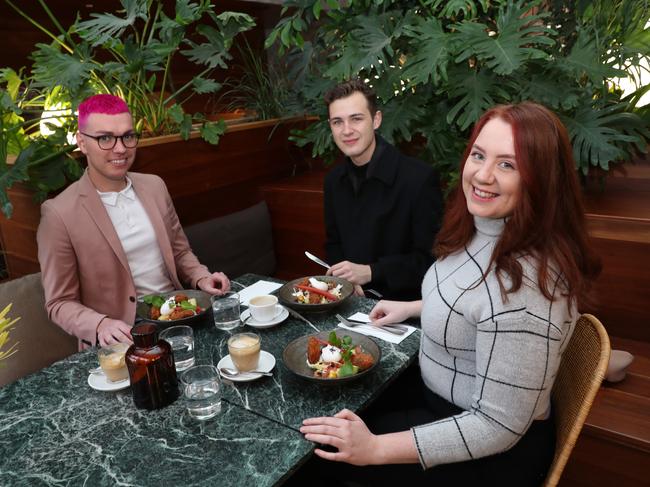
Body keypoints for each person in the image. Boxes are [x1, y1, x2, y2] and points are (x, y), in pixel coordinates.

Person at [298, 102, 601, 485]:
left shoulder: (526, 290)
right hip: (442, 402)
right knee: (328, 426)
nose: (483, 175)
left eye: (507, 164)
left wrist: (374, 449)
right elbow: (477, 310)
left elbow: (496, 426)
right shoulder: (484, 230)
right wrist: (411, 307)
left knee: (322, 463)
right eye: (478, 155)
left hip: (490, 453)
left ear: (541, 178)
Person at [37, 94, 230, 348]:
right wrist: (99, 324)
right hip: (121, 340)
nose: (120, 148)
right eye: (105, 138)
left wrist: (201, 278)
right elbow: (58, 303)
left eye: (127, 136)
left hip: (178, 318)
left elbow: (180, 251)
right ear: (81, 142)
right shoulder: (58, 213)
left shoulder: (154, 186)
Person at [323, 79, 443, 300]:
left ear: (376, 119)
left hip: (404, 310)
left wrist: (371, 272)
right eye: (337, 122)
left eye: (356, 119)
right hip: (349, 300)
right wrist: (346, 282)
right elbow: (334, 244)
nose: (347, 130)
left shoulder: (419, 179)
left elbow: (431, 260)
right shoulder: (333, 181)